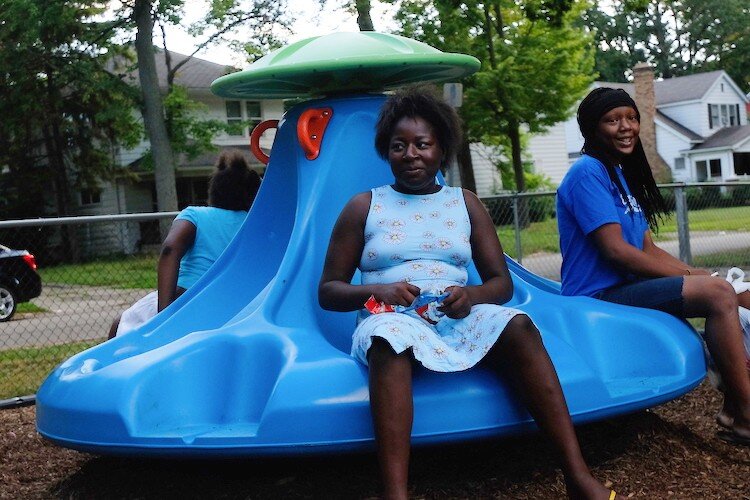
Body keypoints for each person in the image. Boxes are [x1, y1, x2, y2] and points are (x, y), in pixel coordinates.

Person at [319, 85, 613, 500]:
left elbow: (501, 283)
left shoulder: (465, 203)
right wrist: (381, 290)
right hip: (390, 316)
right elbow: (328, 291)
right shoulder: (364, 206)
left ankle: (577, 476)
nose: (411, 154)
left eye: (423, 144)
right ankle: (395, 494)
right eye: (399, 145)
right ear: (386, 150)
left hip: (454, 315)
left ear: (442, 149)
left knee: (520, 325)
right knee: (388, 339)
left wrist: (471, 297)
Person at [556, 86, 750, 446]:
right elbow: (617, 252)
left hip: (626, 287)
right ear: (592, 129)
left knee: (743, 293)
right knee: (719, 293)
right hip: (597, 295)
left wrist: (698, 274)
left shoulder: (620, 175)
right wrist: (700, 281)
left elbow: (647, 247)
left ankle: (731, 407)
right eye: (612, 120)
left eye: (631, 117)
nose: (625, 126)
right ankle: (747, 415)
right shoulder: (588, 173)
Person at [108, 149, 261, 338]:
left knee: (120, 323)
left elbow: (170, 250)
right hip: (232, 305)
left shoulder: (196, 215)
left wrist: (164, 315)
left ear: (215, 190)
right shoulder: (253, 225)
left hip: (187, 297)